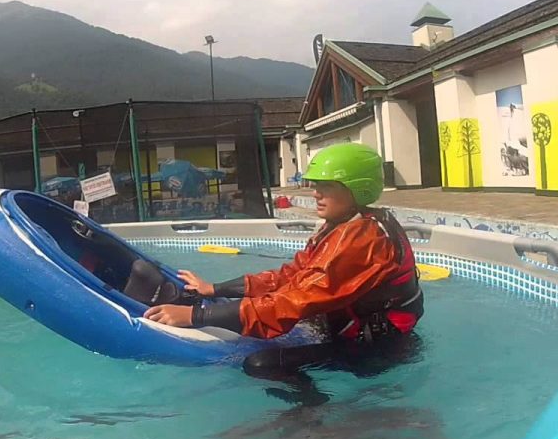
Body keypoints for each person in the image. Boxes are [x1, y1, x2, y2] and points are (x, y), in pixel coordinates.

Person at [144, 143, 423, 402]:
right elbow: (290, 276)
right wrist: (215, 289)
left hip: (377, 350)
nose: (316, 193)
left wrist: (196, 316)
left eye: (326, 186)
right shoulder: (345, 225)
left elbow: (295, 300)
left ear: (357, 190)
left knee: (260, 364)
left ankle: (315, 409)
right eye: (316, 185)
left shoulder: (365, 240)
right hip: (348, 331)